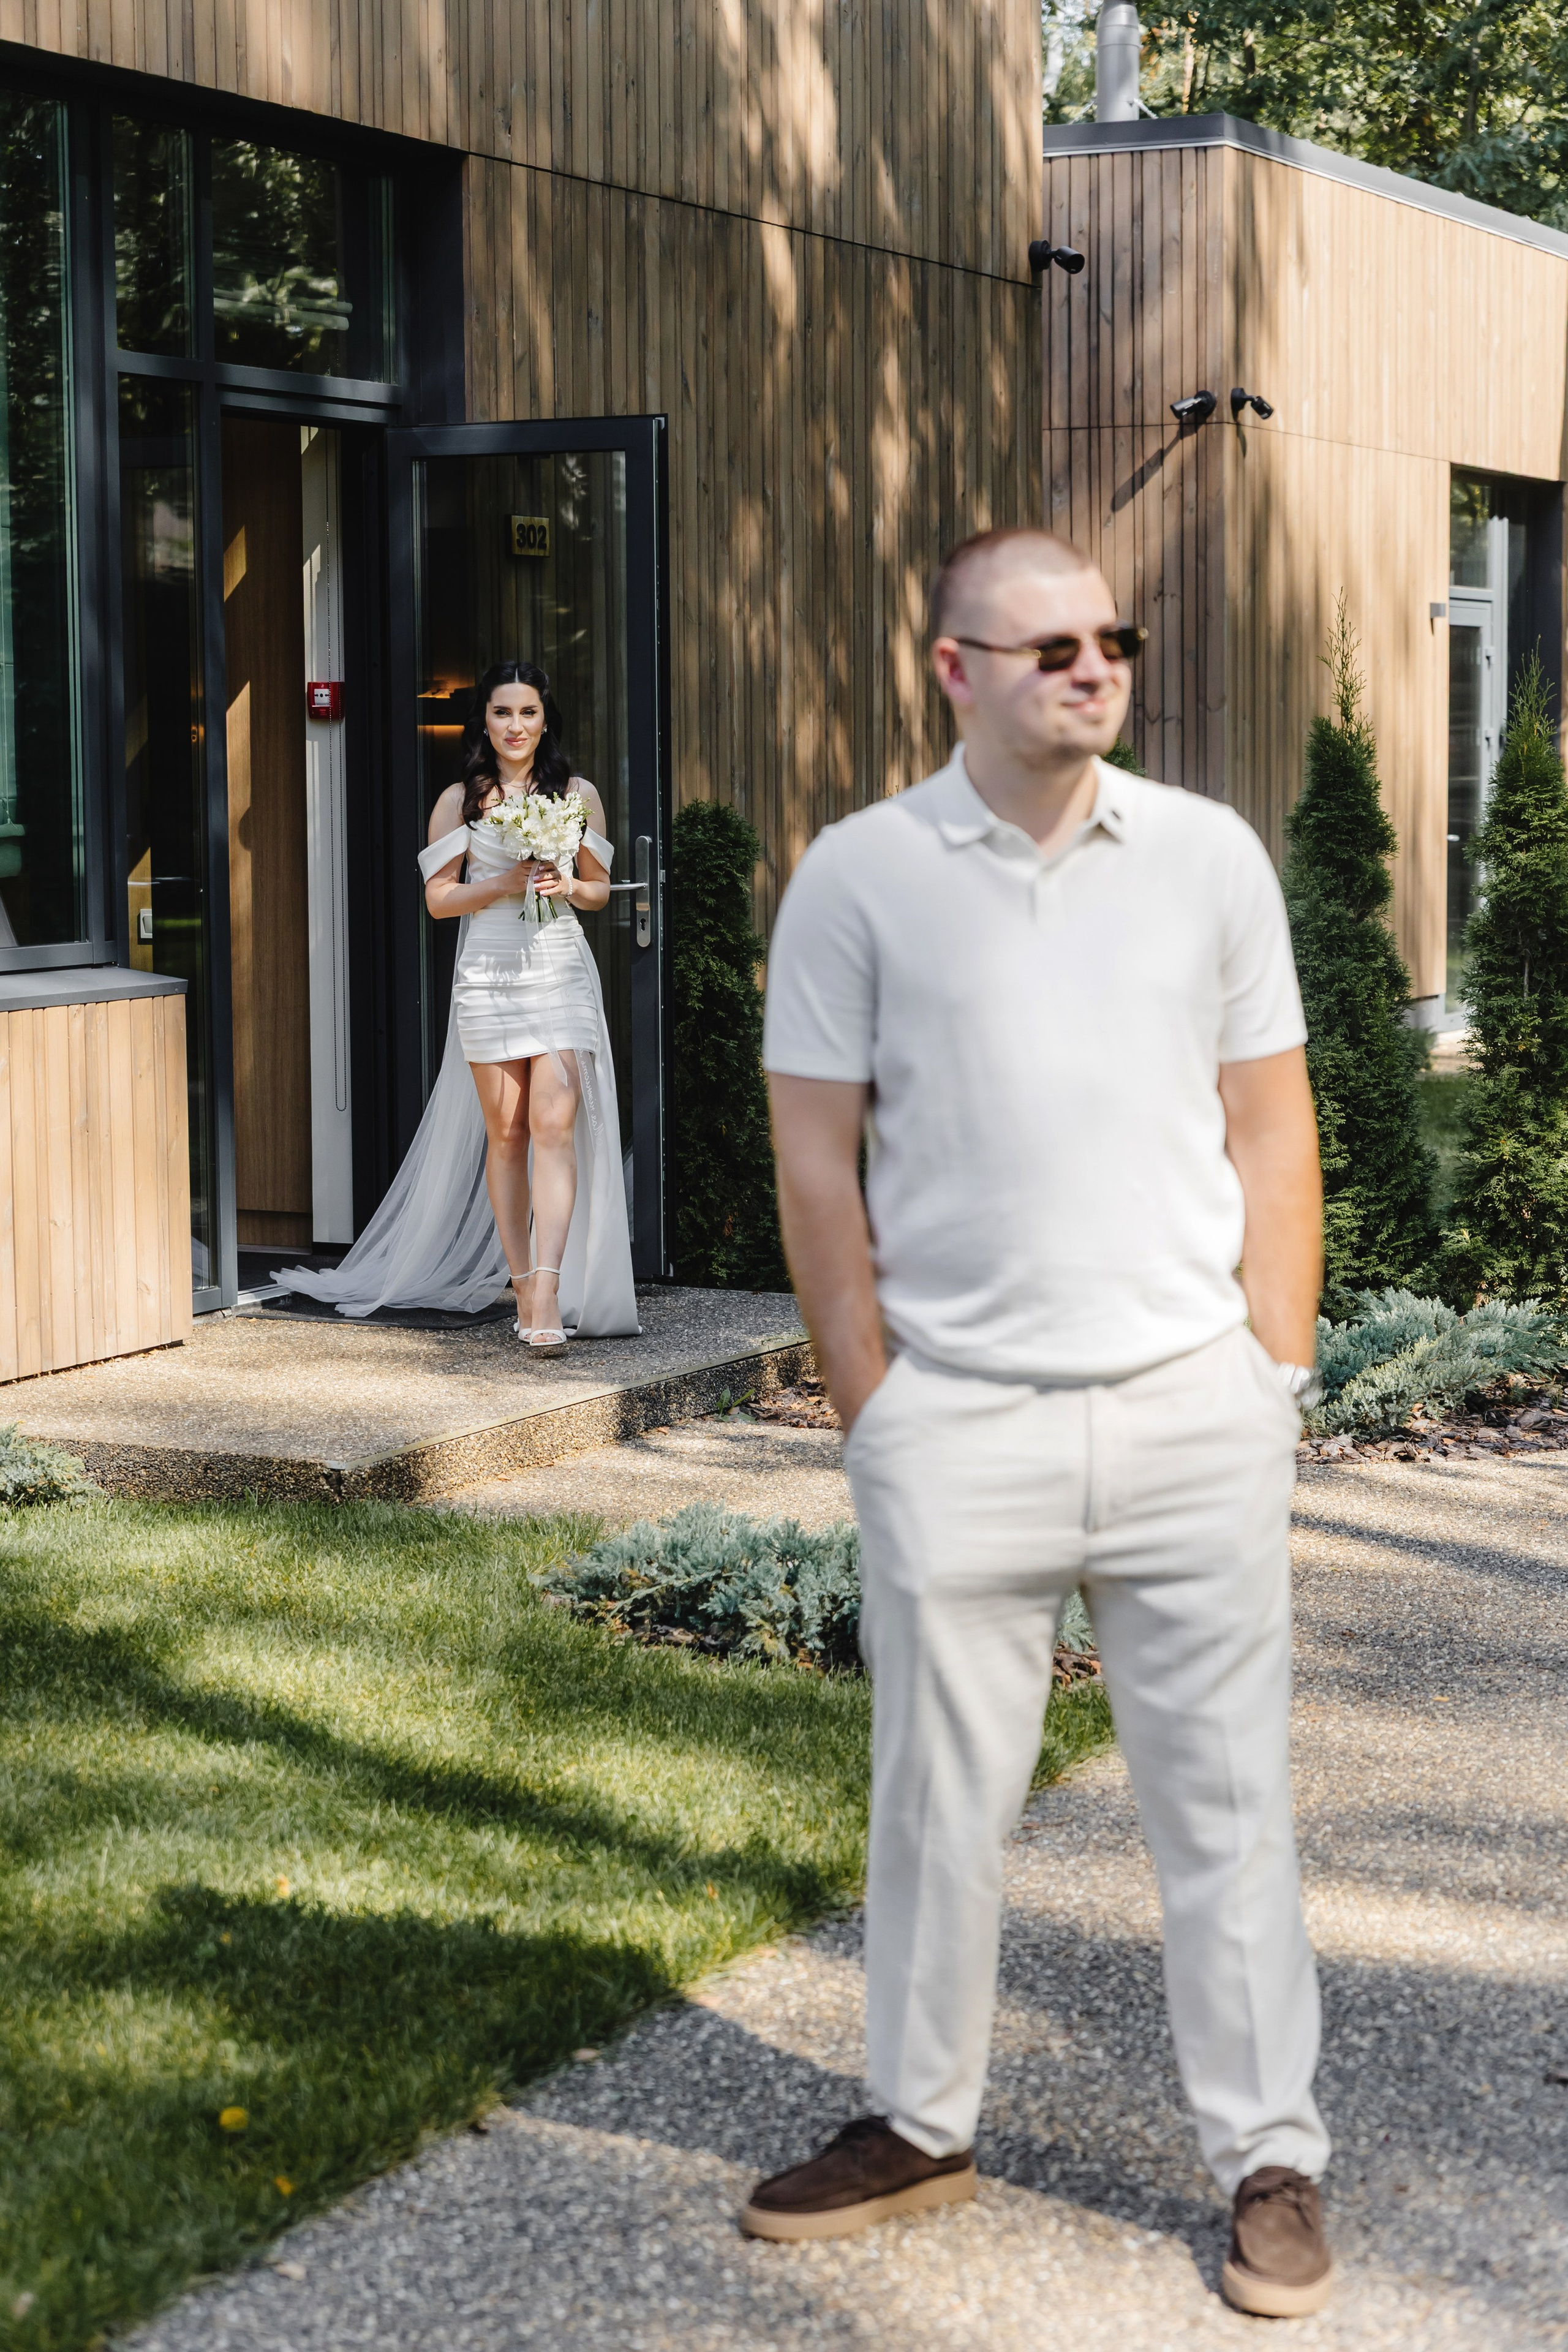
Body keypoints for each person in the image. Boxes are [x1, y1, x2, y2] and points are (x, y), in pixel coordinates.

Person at [749, 527, 1333, 2320]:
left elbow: (1272, 1123)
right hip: (961, 1428)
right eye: (1048, 645)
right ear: (952, 670)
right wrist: (878, 1411)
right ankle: (921, 2121)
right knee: (934, 1798)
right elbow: (811, 1153)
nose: (1093, 668)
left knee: (1223, 1803)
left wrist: (1274, 1370)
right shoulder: (858, 881)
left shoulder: (1207, 860)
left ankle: (1267, 2156)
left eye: (1112, 640)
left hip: (1187, 1413)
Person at [276, 661, 638, 1341]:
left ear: (544, 719)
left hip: (559, 967)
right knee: (507, 1135)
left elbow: (598, 890)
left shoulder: (577, 794)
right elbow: (439, 902)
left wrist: (566, 885)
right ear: (484, 721)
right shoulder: (459, 800)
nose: (516, 726)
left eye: (528, 713)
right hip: (489, 975)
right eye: (503, 713)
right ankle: (523, 1286)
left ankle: (552, 1296)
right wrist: (504, 883)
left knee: (555, 1127)